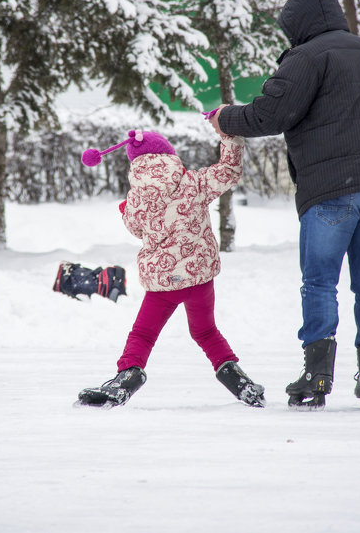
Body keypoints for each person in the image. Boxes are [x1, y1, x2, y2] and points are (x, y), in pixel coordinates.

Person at [208, 0, 360, 410]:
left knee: (320, 282)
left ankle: (317, 376)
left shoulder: (307, 57)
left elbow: (271, 113)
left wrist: (223, 118)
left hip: (330, 191)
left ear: (299, 25)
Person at [76, 128, 265, 408]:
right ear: (168, 154)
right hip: (199, 279)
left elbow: (136, 229)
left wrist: (125, 209)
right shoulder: (195, 182)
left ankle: (127, 376)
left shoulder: (137, 197)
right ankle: (237, 379)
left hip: (163, 284)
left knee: (143, 334)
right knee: (205, 331)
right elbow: (229, 171)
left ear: (136, 163)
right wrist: (229, 136)